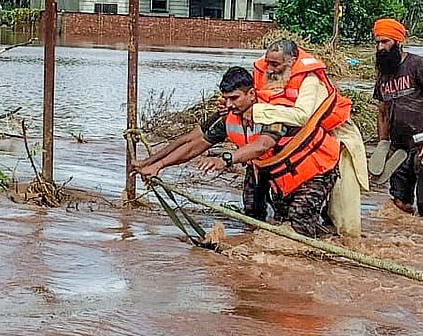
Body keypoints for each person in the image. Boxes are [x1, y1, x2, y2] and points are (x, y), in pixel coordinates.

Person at [137, 66, 342, 238]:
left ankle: (332, 244)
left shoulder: (273, 112)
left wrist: (226, 159)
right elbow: (193, 144)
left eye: (234, 98)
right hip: (274, 172)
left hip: (316, 171)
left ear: (252, 94)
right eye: (225, 98)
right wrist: (156, 165)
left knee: (299, 222)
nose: (229, 105)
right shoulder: (230, 117)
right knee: (256, 214)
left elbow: (262, 145)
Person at [251, 39, 368, 237]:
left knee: (344, 218)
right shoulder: (268, 72)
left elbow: (302, 116)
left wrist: (257, 111)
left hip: (337, 139)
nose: (269, 69)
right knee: (286, 215)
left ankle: (341, 249)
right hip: (300, 146)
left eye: (275, 64)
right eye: (268, 63)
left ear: (292, 61)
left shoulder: (309, 80)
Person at [372, 18, 423, 221]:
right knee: (399, 205)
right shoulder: (382, 74)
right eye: (378, 42)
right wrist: (382, 145)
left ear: (398, 42)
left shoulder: (417, 64)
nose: (381, 47)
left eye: (385, 42)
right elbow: (382, 112)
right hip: (398, 150)